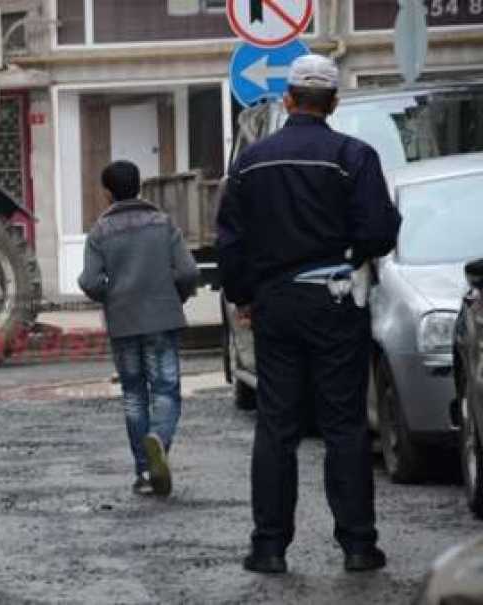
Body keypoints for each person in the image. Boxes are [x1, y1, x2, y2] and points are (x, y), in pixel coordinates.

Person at [216, 54, 401, 575]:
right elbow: (378, 234)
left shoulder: (251, 163)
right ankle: (359, 546)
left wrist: (244, 296)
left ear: (290, 100)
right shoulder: (354, 156)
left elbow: (231, 242)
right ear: (333, 104)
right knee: (343, 423)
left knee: (277, 424)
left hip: (274, 304)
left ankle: (269, 547)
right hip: (336, 300)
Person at [78, 160, 199, 497]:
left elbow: (89, 281)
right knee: (165, 388)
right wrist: (175, 295)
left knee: (134, 395)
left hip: (124, 322)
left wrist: (112, 296)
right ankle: (158, 439)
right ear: (139, 186)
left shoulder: (100, 231)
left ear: (107, 192)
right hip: (162, 318)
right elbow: (188, 272)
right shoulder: (163, 224)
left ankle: (145, 472)